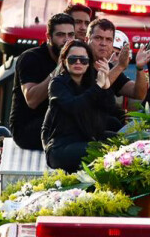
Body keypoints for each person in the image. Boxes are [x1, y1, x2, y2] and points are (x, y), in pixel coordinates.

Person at [42, 40, 117, 172]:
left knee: (124, 144)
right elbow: (75, 107)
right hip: (61, 147)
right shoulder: (57, 84)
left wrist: (105, 84)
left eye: (83, 60)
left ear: (89, 63)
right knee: (101, 150)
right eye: (73, 59)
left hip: (87, 140)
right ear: (64, 61)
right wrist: (98, 87)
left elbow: (110, 108)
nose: (78, 63)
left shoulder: (91, 84)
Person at [9, 13, 76, 150]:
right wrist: (59, 69)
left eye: (70, 35)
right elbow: (32, 100)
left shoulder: (77, 58)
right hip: (28, 130)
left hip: (58, 124)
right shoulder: (30, 58)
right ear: (48, 37)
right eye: (60, 35)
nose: (66, 40)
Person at [87, 18, 150, 105]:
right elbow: (92, 96)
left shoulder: (110, 68)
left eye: (108, 39)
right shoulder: (81, 63)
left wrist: (140, 68)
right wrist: (120, 66)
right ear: (86, 39)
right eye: (98, 38)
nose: (103, 43)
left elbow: (138, 94)